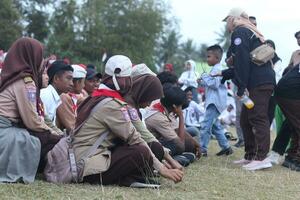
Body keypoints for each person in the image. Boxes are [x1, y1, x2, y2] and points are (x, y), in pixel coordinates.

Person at [73, 55, 183, 187]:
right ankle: (122, 178)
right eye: (127, 78)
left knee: (147, 147)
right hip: (86, 166)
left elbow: (141, 134)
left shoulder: (102, 96)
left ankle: (128, 177)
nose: (130, 83)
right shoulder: (112, 105)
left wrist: (166, 159)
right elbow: (135, 137)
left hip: (87, 157)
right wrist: (162, 169)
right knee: (140, 151)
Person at [222, 8, 276, 170]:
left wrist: (241, 87)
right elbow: (245, 62)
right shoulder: (250, 31)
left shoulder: (240, 32)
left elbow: (243, 61)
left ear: (234, 19)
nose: (227, 24)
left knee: (258, 118)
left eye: (228, 20)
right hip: (260, 81)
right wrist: (225, 73)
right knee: (245, 120)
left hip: (258, 83)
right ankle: (250, 155)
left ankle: (262, 158)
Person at [0, 38, 60, 183]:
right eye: (41, 55)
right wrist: (54, 134)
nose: (43, 60)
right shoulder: (25, 82)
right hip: (5, 129)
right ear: (31, 56)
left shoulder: (10, 77)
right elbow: (32, 121)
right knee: (47, 140)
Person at [124, 73, 183, 169]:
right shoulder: (129, 107)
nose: (149, 105)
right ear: (143, 94)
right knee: (150, 149)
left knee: (156, 147)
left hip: (137, 143)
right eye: (149, 100)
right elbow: (143, 135)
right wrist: (166, 163)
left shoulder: (133, 105)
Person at [144, 84, 201, 161]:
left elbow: (177, 129)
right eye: (180, 106)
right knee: (179, 148)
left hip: (158, 142)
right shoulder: (159, 117)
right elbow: (180, 145)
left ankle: (177, 157)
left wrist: (196, 144)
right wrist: (181, 116)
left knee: (189, 143)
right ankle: (172, 159)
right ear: (175, 106)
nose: (181, 109)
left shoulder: (164, 107)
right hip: (150, 147)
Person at [199, 44, 233, 157]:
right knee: (215, 126)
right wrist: (202, 80)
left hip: (214, 102)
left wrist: (204, 76)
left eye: (209, 56)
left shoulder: (218, 69)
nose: (207, 59)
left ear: (217, 58)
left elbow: (214, 84)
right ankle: (226, 147)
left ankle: (202, 149)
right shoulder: (214, 69)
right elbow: (209, 83)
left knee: (205, 125)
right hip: (213, 101)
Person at [275, 63, 300, 171]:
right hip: (290, 93)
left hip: (285, 91)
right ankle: (296, 159)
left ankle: (291, 158)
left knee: (293, 124)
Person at [40, 60, 74, 125]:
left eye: (72, 80)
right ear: (56, 78)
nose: (72, 84)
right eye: (68, 78)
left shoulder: (54, 96)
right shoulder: (46, 95)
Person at [56, 64, 87, 133]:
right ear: (78, 82)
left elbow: (84, 99)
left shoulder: (72, 96)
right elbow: (72, 127)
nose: (84, 85)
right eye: (83, 82)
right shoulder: (64, 97)